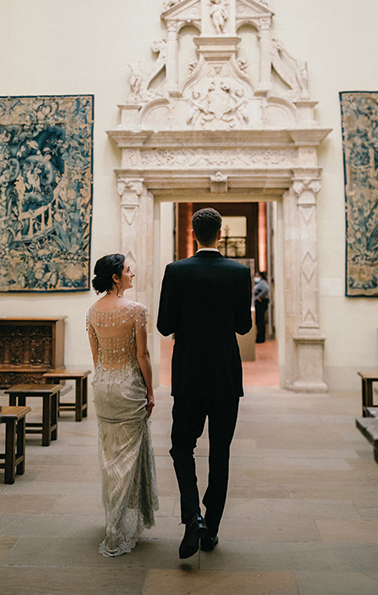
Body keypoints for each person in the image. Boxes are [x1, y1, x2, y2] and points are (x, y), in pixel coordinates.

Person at [157, 207, 253, 558]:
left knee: (182, 446)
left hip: (188, 373)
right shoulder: (239, 273)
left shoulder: (176, 271)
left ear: (193, 233)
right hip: (226, 375)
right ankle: (210, 530)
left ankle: (192, 517)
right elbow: (243, 327)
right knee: (220, 452)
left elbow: (164, 326)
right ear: (220, 232)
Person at [86, 253, 158, 557]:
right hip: (129, 389)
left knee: (110, 456)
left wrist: (105, 378)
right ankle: (118, 525)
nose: (133, 274)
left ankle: (113, 521)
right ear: (116, 277)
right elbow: (143, 356)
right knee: (129, 458)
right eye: (129, 271)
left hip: (103, 388)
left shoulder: (92, 311)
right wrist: (150, 392)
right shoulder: (136, 311)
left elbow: (96, 356)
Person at [253, 271, 271, 343]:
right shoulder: (259, 283)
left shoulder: (262, 283)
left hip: (260, 304)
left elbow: (266, 289)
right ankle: (259, 337)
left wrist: (260, 296)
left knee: (260, 320)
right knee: (259, 321)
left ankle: (261, 338)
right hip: (258, 303)